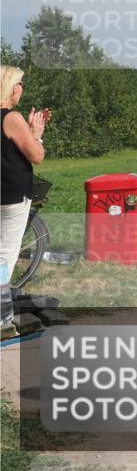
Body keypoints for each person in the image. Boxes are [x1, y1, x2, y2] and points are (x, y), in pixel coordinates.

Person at [1, 66, 51, 313]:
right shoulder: (11, 118)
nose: (22, 88)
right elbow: (36, 155)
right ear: (11, 86)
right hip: (11, 198)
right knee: (5, 255)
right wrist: (37, 134)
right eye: (21, 83)